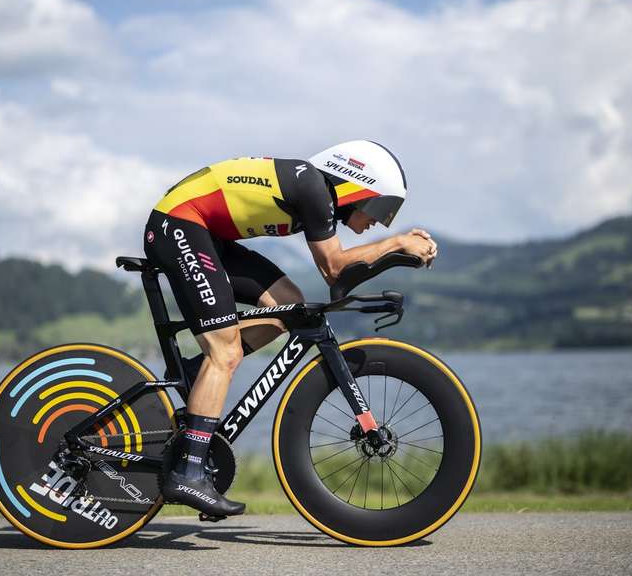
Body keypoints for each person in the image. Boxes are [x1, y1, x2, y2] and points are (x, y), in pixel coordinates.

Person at [144, 140, 438, 516]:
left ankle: (192, 373)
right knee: (226, 352)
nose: (379, 222)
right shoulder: (315, 188)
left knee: (289, 305)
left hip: (202, 232)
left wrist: (395, 256)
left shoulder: (313, 190)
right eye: (381, 208)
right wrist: (396, 243)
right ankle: (188, 470)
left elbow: (339, 280)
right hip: (179, 224)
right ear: (357, 185)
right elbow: (334, 268)